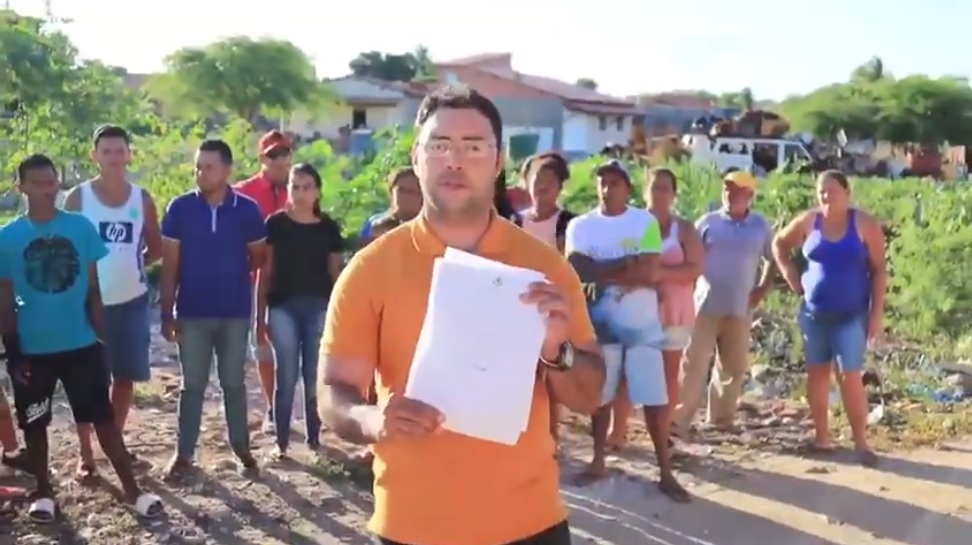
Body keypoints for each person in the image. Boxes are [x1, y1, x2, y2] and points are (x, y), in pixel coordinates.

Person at [318, 85, 605, 545]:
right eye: (440, 145)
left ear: (498, 162)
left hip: (529, 525)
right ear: (416, 157)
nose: (455, 160)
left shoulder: (545, 267)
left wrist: (557, 349)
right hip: (411, 526)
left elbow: (589, 396)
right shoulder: (370, 270)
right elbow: (334, 391)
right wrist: (373, 420)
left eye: (473, 147)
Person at [0, 154, 162, 521]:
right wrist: (14, 353)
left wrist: (101, 339)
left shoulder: (80, 229)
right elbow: (5, 300)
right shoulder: (8, 239)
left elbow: (93, 289)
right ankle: (44, 493)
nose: (46, 189)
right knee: (36, 424)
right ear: (21, 186)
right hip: (33, 351)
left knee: (103, 420)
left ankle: (132, 491)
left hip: (81, 346)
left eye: (51, 181)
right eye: (37, 183)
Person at [564, 159, 689, 502]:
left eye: (615, 183)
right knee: (600, 398)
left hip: (642, 327)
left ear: (627, 189)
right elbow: (577, 270)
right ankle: (598, 461)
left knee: (654, 400)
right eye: (602, 183)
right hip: (599, 326)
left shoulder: (644, 221)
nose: (607, 189)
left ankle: (665, 471)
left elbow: (648, 273)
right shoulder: (580, 225)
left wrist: (601, 270)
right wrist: (624, 264)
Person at [160, 140, 267, 478]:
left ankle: (242, 449)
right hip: (191, 311)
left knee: (234, 383)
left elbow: (259, 257)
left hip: (234, 311)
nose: (200, 173)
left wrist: (230, 270)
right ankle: (183, 453)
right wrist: (166, 311)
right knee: (191, 386)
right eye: (197, 166)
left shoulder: (247, 210)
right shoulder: (180, 209)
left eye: (208, 166)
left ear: (227, 170)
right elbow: (170, 265)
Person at [64, 125, 163, 479]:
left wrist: (130, 267)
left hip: (132, 302)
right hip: (87, 304)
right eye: (106, 151)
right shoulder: (78, 199)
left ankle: (114, 443)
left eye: (120, 150)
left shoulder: (142, 199)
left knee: (125, 377)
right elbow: (65, 250)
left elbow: (156, 246)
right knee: (87, 380)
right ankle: (86, 453)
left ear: (128, 154)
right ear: (95, 155)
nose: (114, 157)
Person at [771, 170, 884, 466]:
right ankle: (823, 438)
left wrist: (876, 314)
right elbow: (780, 244)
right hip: (814, 314)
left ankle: (861, 442)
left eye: (832, 191)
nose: (826, 197)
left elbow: (880, 271)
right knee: (818, 375)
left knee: (850, 377)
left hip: (851, 315)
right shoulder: (810, 222)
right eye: (822, 192)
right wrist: (791, 275)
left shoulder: (863, 224)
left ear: (847, 193)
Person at [671, 170, 776, 438]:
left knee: (733, 365)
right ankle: (679, 421)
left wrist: (763, 287)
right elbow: (689, 258)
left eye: (738, 190)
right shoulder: (707, 222)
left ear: (750, 195)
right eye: (728, 188)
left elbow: (772, 258)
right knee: (694, 363)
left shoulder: (760, 226)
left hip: (741, 306)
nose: (731, 194)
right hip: (704, 305)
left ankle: (720, 421)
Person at [606, 167, 704, 451]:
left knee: (667, 374)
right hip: (636, 307)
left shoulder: (683, 229)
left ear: (673, 194)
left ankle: (660, 434)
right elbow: (620, 264)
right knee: (625, 370)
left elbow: (695, 267)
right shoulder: (631, 224)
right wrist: (644, 281)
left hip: (674, 309)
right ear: (645, 190)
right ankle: (617, 431)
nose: (659, 193)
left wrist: (657, 273)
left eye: (665, 188)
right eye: (655, 187)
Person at [256, 163, 344, 459]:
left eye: (307, 187)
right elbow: (265, 272)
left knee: (313, 373)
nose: (301, 193)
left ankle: (313, 438)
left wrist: (339, 317)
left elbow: (336, 276)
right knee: (287, 374)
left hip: (319, 306)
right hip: (282, 306)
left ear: (318, 191)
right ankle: (281, 442)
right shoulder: (276, 224)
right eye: (295, 186)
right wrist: (260, 316)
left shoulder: (329, 227)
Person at [235, 130, 292, 434]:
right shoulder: (243, 192)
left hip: (289, 280)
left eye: (283, 154)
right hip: (251, 280)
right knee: (263, 346)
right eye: (273, 155)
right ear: (262, 159)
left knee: (288, 348)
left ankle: (284, 407)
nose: (279, 160)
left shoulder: (297, 189)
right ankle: (273, 406)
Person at [519, 152, 576, 451]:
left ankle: (551, 439)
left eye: (549, 181)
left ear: (560, 186)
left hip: (553, 308)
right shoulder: (515, 221)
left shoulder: (568, 223)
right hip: (520, 306)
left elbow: (570, 269)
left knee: (551, 375)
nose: (542, 187)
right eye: (536, 179)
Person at [365, 167, 423, 241]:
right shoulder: (375, 224)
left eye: (413, 191)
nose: (407, 197)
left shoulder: (434, 226)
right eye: (402, 190)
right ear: (391, 192)